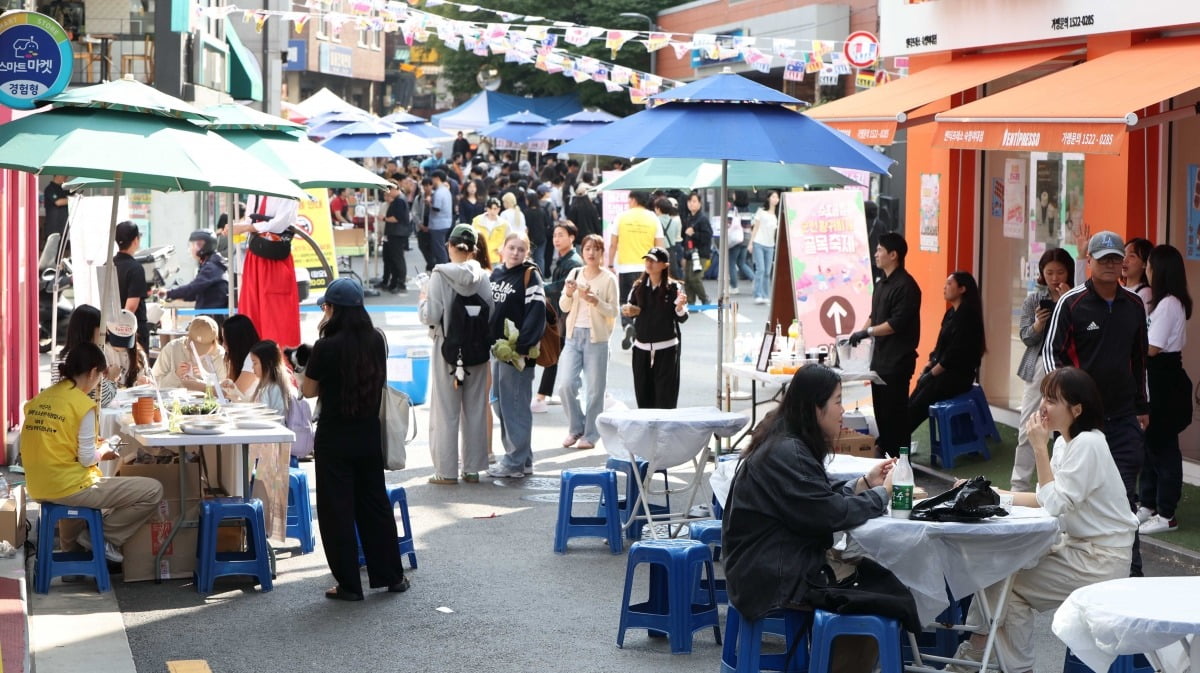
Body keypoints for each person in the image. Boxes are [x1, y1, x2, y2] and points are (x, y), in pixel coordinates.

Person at [947, 367, 1137, 673]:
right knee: (1002, 576)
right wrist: (988, 492)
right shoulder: (1066, 442)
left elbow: (1053, 504)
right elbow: (1042, 497)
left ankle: (976, 656)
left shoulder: (1088, 444)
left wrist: (1038, 447)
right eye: (1044, 396)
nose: (1042, 405)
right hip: (1079, 550)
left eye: (1052, 399)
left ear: (1076, 409)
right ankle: (981, 655)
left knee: (1010, 584)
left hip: (1100, 559)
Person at [723, 364, 899, 672]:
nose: (843, 410)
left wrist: (864, 484)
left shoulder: (785, 440)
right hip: (771, 571)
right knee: (880, 593)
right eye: (838, 401)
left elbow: (813, 499)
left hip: (767, 561)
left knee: (876, 582)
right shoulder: (788, 450)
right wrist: (882, 494)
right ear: (815, 408)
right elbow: (827, 514)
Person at [1044, 230, 1148, 576]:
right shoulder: (1070, 303)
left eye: (1116, 258)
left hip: (1121, 419)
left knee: (1123, 498)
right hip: (1081, 421)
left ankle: (1131, 576)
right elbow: (1051, 354)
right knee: (1072, 495)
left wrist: (1141, 406)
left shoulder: (1133, 305)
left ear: (1123, 263)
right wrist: (1062, 402)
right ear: (1089, 262)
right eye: (1103, 259)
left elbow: (1138, 359)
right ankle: (1083, 563)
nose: (1110, 264)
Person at [298, 277, 408, 600]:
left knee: (337, 511)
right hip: (368, 435)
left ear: (332, 309)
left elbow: (308, 390)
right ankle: (392, 576)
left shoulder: (325, 347)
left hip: (334, 437)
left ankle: (349, 584)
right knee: (374, 505)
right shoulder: (376, 340)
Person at [22, 343, 164, 564]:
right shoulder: (82, 404)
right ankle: (101, 537)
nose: (100, 382)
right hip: (68, 485)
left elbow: (57, 441)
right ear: (92, 372)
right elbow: (88, 458)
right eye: (100, 376)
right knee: (153, 490)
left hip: (37, 485)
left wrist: (95, 446)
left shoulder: (40, 399)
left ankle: (74, 560)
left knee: (78, 494)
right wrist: (105, 450)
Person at [418, 224, 494, 485]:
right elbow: (491, 314)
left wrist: (423, 299)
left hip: (447, 349)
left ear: (449, 246)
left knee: (446, 411)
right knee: (475, 408)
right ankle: (472, 469)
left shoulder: (439, 275)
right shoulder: (484, 277)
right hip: (477, 351)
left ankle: (446, 472)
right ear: (473, 250)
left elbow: (431, 316)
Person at [847, 233, 922, 457]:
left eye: (880, 250)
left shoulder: (907, 286)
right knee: (881, 413)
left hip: (897, 361)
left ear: (893, 255)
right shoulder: (882, 284)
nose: (876, 254)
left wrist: (867, 331)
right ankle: (886, 455)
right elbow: (875, 315)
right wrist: (859, 332)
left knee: (895, 414)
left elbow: (894, 324)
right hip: (879, 360)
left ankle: (902, 461)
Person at [1136, 244, 1193, 535]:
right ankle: (1148, 504)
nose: (1146, 269)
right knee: (1151, 446)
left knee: (1164, 447)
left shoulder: (1169, 303)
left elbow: (1153, 348)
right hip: (1158, 380)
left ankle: (1167, 514)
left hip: (1165, 384)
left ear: (1159, 270)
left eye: (1149, 264)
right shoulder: (1162, 302)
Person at [485, 233, 547, 480]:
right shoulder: (497, 274)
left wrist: (523, 345)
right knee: (502, 404)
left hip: (518, 353)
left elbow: (537, 311)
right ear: (502, 249)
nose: (515, 253)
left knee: (515, 405)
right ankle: (523, 458)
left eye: (521, 249)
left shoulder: (530, 275)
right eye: (511, 248)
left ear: (527, 253)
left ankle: (514, 462)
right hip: (497, 351)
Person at [1012, 247, 1074, 492]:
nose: (1055, 278)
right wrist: (1038, 324)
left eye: (1060, 272)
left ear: (1069, 271)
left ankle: (1062, 482)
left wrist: (1067, 303)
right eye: (1049, 272)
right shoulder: (1033, 299)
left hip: (1068, 366)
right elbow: (1026, 337)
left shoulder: (1077, 297)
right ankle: (1019, 485)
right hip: (1039, 365)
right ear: (1041, 273)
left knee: (1069, 425)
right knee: (1030, 422)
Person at [557, 233, 617, 449]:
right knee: (565, 384)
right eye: (588, 249)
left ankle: (590, 434)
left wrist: (596, 301)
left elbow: (613, 310)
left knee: (594, 390)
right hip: (573, 337)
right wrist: (570, 293)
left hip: (597, 339)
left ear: (602, 253)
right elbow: (563, 306)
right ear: (582, 252)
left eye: (596, 249)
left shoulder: (609, 278)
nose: (591, 253)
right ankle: (576, 427)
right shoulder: (575, 273)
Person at [906, 271, 986, 435]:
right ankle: (893, 440)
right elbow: (939, 347)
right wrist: (928, 367)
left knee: (919, 404)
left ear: (962, 289)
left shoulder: (968, 316)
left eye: (949, 284)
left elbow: (954, 355)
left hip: (957, 376)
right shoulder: (950, 313)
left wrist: (932, 374)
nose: (945, 287)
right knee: (913, 398)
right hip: (942, 372)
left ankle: (897, 443)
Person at [232, 193, 301, 347]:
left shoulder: (287, 191)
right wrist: (239, 227)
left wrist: (245, 227)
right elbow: (251, 219)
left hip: (275, 258)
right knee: (250, 315)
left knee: (276, 318)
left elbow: (281, 223)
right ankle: (250, 363)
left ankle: (279, 365)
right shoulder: (254, 191)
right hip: (255, 255)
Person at [622, 247, 688, 409]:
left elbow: (682, 317)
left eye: (653, 260)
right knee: (643, 396)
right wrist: (629, 311)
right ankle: (648, 432)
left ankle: (665, 433)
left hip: (666, 348)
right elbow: (630, 307)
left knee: (665, 397)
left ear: (664, 265)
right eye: (647, 260)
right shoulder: (638, 287)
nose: (649, 264)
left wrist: (679, 307)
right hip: (641, 347)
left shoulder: (674, 288)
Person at [532, 222, 582, 414]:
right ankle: (542, 396)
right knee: (555, 354)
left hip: (568, 316)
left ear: (571, 238)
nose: (556, 239)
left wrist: (540, 287)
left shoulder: (574, 262)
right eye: (554, 235)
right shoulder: (564, 260)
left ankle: (541, 397)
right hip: (561, 314)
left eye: (561, 235)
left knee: (556, 353)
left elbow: (562, 286)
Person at [609, 191, 666, 349]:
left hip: (626, 267)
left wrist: (610, 264)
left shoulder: (622, 217)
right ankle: (640, 331)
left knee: (626, 300)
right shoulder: (653, 218)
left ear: (633, 200)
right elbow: (659, 245)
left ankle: (628, 324)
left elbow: (613, 243)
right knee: (645, 301)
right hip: (647, 268)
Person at [163, 230, 228, 325]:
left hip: (212, 321)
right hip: (210, 319)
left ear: (206, 246)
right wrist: (175, 295)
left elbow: (193, 288)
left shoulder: (211, 267)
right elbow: (196, 293)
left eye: (196, 245)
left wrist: (168, 293)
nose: (192, 248)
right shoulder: (210, 264)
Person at [152, 316, 227, 391]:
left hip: (208, 402)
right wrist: (175, 375)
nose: (198, 352)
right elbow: (153, 383)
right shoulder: (172, 348)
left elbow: (224, 389)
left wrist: (206, 377)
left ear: (214, 342)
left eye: (203, 347)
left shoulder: (219, 354)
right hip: (174, 401)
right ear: (188, 336)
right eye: (195, 345)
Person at [113, 221, 150, 350]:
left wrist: (114, 329)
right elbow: (131, 306)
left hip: (111, 327)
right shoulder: (136, 268)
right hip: (133, 330)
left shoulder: (108, 265)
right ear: (135, 240)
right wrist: (123, 330)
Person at [102, 309, 150, 389]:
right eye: (118, 338)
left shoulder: (139, 355)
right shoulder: (102, 352)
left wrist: (142, 384)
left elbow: (145, 383)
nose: (121, 345)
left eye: (126, 339)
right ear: (107, 330)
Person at [216, 314, 260, 402]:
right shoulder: (241, 358)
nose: (223, 345)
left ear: (237, 341)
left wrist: (197, 385)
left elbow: (232, 392)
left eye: (226, 341)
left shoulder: (253, 358)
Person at [680, 191, 713, 305]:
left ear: (700, 203)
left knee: (695, 278)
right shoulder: (689, 218)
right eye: (689, 201)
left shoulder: (702, 219)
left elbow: (707, 236)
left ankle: (705, 298)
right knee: (688, 279)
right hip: (690, 253)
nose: (691, 204)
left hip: (700, 254)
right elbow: (686, 239)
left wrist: (693, 234)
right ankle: (690, 301)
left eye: (694, 201)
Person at [748, 190, 780, 305]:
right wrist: (751, 243)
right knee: (760, 269)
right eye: (773, 197)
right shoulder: (761, 211)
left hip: (770, 245)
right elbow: (755, 228)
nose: (775, 199)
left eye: (777, 197)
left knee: (767, 271)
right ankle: (758, 294)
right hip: (759, 243)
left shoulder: (776, 215)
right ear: (768, 198)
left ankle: (765, 295)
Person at [247, 340, 294, 417]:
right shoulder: (267, 386)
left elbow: (271, 417)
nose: (252, 367)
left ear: (267, 363)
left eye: (255, 363)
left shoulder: (274, 388)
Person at [380, 184, 411, 294]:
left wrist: (383, 218)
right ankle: (394, 281)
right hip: (394, 233)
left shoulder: (399, 201)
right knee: (393, 258)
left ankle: (400, 282)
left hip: (397, 233)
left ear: (395, 189)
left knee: (397, 258)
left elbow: (396, 218)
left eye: (389, 190)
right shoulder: (398, 200)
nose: (388, 193)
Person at [725, 203, 754, 296]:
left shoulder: (733, 209)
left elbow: (728, 223)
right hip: (746, 238)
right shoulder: (747, 209)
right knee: (741, 263)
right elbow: (750, 224)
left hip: (736, 239)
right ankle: (755, 279)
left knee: (732, 263)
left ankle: (734, 286)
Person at [427, 170, 454, 264]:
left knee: (439, 249)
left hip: (438, 224)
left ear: (437, 179)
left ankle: (443, 268)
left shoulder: (439, 192)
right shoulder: (445, 190)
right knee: (441, 247)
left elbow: (436, 208)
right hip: (445, 223)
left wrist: (428, 203)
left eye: (433, 179)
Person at [653, 196, 683, 280]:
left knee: (659, 277)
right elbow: (676, 236)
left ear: (658, 209)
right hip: (671, 252)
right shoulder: (674, 222)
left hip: (658, 252)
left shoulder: (655, 221)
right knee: (671, 278)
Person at [42, 174, 71, 252]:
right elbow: (58, 202)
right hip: (54, 226)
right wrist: (72, 200)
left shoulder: (64, 188)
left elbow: (73, 195)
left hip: (64, 225)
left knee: (63, 250)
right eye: (65, 176)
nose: (66, 178)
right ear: (58, 176)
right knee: (53, 251)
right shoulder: (50, 189)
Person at [1120, 237, 1153, 305]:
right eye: (1124, 254)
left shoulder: (1145, 293)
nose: (1124, 260)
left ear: (1145, 264)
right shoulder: (1120, 289)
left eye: (1132, 256)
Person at [472, 197, 507, 261]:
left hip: (496, 257)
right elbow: (472, 237)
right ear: (487, 209)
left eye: (495, 209)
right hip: (480, 257)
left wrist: (502, 248)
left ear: (499, 209)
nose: (492, 211)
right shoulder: (477, 221)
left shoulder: (504, 224)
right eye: (490, 208)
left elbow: (509, 239)